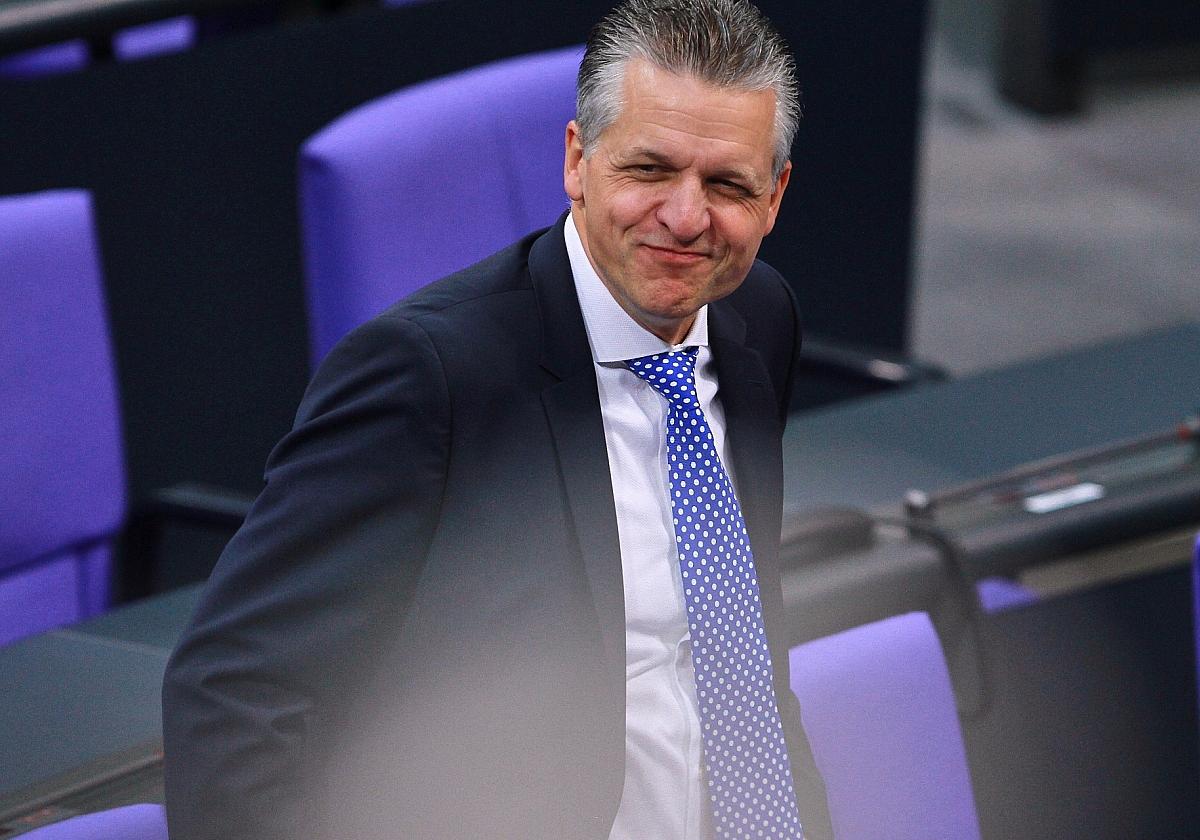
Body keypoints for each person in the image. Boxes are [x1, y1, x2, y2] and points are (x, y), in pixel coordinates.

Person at [162, 1, 833, 837]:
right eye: (650, 170)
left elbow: (740, 653)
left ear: (775, 197)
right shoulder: (429, 379)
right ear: (578, 160)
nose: (687, 218)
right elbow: (230, 694)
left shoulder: (757, 318)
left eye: (727, 185)